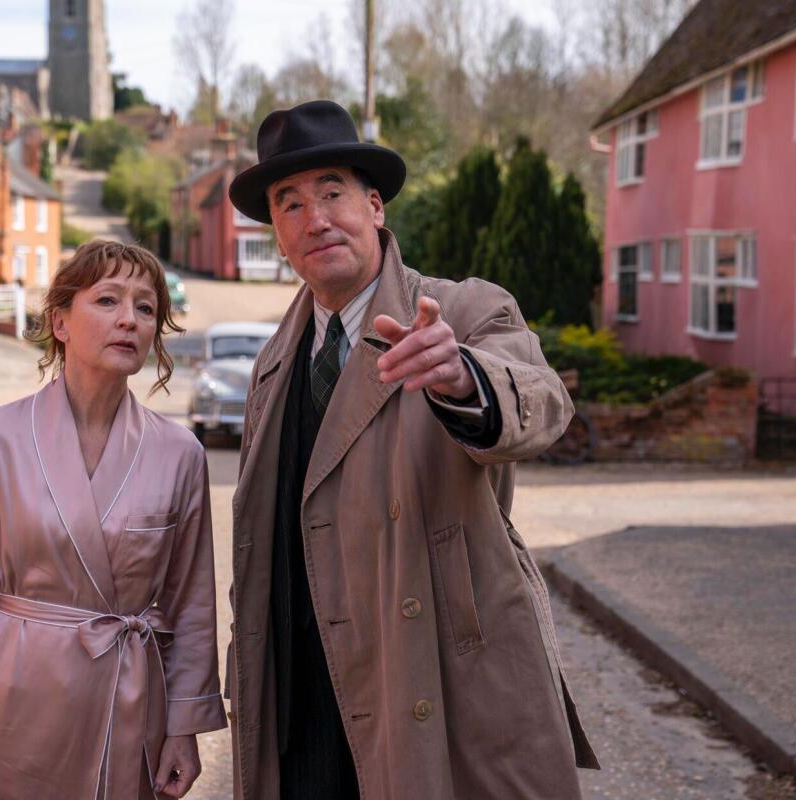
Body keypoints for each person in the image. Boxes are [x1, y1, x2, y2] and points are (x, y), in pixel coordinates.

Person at [223, 100, 599, 799]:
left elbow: (544, 404)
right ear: (277, 234)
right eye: (290, 204)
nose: (316, 219)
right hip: (301, 688)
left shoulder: (461, 311)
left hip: (425, 676)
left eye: (332, 193)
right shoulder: (273, 363)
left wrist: (463, 377)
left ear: (374, 207)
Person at [0, 240, 226, 800]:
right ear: (60, 321)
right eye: (108, 300)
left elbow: (191, 606)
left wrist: (184, 729)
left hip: (125, 705)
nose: (129, 320)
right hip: (4, 700)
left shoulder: (180, 452)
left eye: (146, 308)